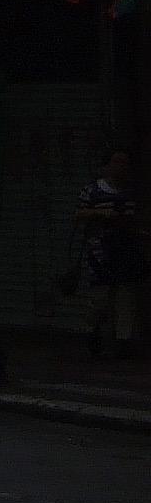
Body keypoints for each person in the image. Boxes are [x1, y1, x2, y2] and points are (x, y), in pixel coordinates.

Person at [77, 147, 145, 361]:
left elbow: (133, 220)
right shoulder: (93, 190)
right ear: (106, 165)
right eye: (116, 162)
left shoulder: (130, 192)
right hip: (100, 251)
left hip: (125, 249)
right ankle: (93, 333)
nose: (121, 167)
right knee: (100, 298)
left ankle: (123, 341)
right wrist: (101, 213)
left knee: (125, 296)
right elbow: (79, 213)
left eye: (124, 163)